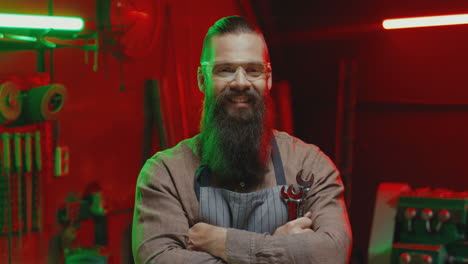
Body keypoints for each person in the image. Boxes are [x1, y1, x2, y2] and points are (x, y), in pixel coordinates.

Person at [132, 15, 352, 264]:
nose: (240, 82)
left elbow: (333, 253)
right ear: (201, 79)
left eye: (253, 70)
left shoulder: (311, 166)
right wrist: (279, 249)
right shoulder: (164, 174)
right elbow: (158, 260)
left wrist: (222, 241)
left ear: (268, 79)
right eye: (225, 70)